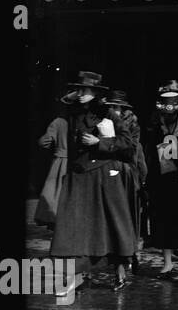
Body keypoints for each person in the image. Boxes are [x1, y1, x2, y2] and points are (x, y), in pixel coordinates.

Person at [49, 72, 140, 291]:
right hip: (78, 175)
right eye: (78, 90)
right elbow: (62, 102)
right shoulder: (74, 111)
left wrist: (100, 141)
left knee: (111, 224)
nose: (80, 94)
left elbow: (128, 144)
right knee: (75, 226)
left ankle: (119, 269)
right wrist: (76, 94)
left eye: (84, 90)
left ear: (96, 93)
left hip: (102, 174)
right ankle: (77, 274)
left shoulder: (107, 113)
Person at [143, 81, 178, 277]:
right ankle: (168, 261)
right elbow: (147, 153)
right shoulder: (154, 126)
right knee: (161, 220)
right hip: (160, 181)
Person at [34, 97, 72, 228]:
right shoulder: (78, 121)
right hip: (72, 161)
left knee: (56, 192)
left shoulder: (59, 121)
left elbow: (45, 142)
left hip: (61, 161)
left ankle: (55, 219)